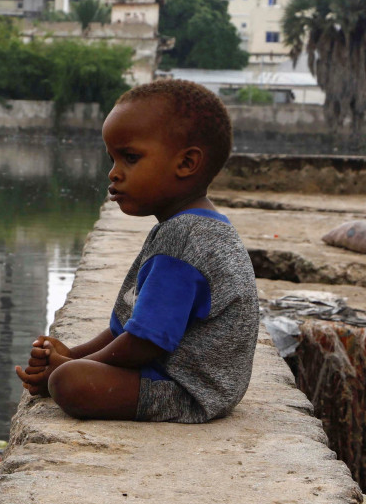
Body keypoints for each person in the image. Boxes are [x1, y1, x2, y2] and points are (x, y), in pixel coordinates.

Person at [15, 79, 259, 422]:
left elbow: (145, 344)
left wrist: (70, 365)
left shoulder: (184, 240)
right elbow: (130, 327)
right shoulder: (192, 225)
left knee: (69, 383)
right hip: (195, 381)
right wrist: (74, 353)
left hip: (187, 390)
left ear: (186, 163)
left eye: (130, 158)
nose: (114, 173)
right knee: (67, 372)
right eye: (112, 158)